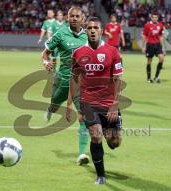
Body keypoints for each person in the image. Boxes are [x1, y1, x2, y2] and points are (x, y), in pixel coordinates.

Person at [66, 17, 123, 185]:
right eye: (89, 27)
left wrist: (115, 104)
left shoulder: (113, 51)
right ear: (86, 30)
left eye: (95, 27)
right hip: (88, 102)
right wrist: (71, 104)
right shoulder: (78, 53)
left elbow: (118, 79)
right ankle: (101, 175)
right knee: (96, 136)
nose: (92, 30)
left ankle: (110, 128)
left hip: (108, 103)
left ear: (101, 30)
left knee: (114, 143)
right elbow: (74, 79)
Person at [41, 7, 89, 165]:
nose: (75, 18)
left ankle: (82, 154)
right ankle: (50, 109)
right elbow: (45, 52)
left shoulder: (89, 35)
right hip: (63, 80)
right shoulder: (61, 34)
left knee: (83, 117)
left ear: (83, 18)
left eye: (78, 16)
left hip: (81, 84)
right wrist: (46, 62)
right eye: (72, 16)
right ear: (68, 18)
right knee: (55, 105)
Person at [142, 13, 164, 83]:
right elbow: (144, 35)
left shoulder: (160, 25)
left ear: (157, 18)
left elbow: (160, 35)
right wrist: (143, 46)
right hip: (150, 45)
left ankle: (156, 77)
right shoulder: (147, 25)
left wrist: (162, 45)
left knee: (161, 58)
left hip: (157, 45)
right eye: (153, 17)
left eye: (156, 17)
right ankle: (149, 78)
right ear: (151, 18)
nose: (154, 18)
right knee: (149, 61)